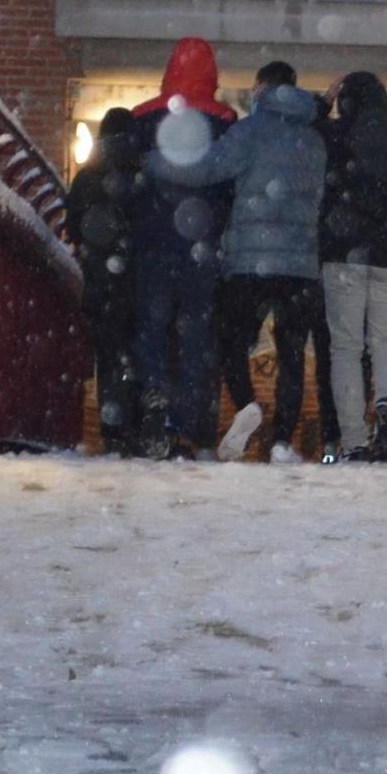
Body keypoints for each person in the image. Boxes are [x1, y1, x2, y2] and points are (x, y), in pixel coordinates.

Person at [149, 60, 326, 464]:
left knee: (230, 341)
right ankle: (282, 440)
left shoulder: (249, 132)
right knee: (292, 354)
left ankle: (247, 403)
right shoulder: (315, 141)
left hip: (249, 259)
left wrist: (157, 160)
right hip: (300, 265)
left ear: (261, 87)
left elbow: (208, 169)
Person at [128, 38, 238, 459]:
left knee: (151, 332)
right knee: (196, 338)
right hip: (203, 249)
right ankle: (192, 427)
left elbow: (126, 186)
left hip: (150, 244)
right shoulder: (227, 124)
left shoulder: (143, 119)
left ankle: (153, 404)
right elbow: (233, 188)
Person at [319, 71, 387, 462]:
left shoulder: (334, 137)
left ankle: (354, 441)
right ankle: (386, 407)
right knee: (386, 345)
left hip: (342, 254)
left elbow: (308, 132)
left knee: (346, 349)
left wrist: (324, 102)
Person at [65, 107, 142, 456]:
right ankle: (138, 426)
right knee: (139, 354)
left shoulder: (87, 176)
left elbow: (72, 226)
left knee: (108, 359)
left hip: (100, 283)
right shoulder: (143, 172)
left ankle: (111, 429)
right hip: (138, 283)